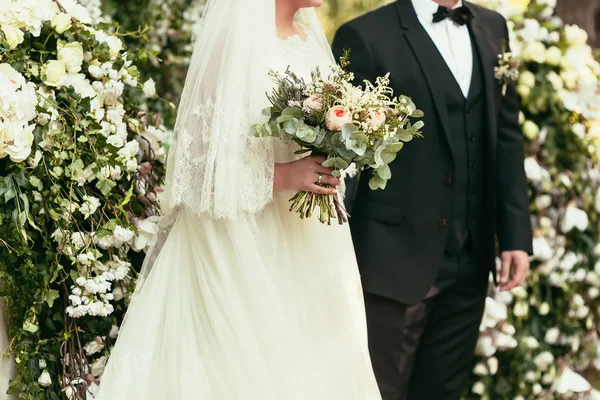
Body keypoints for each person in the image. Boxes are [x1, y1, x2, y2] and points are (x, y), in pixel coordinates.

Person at [96, 0, 382, 399]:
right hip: (241, 241)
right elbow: (195, 169)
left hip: (311, 244)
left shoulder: (308, 41)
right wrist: (285, 176)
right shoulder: (233, 40)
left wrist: (342, 153)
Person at [332, 1, 532, 399]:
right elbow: (344, 163)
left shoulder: (493, 27)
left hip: (470, 266)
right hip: (391, 267)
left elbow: (506, 136)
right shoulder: (365, 36)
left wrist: (515, 235)